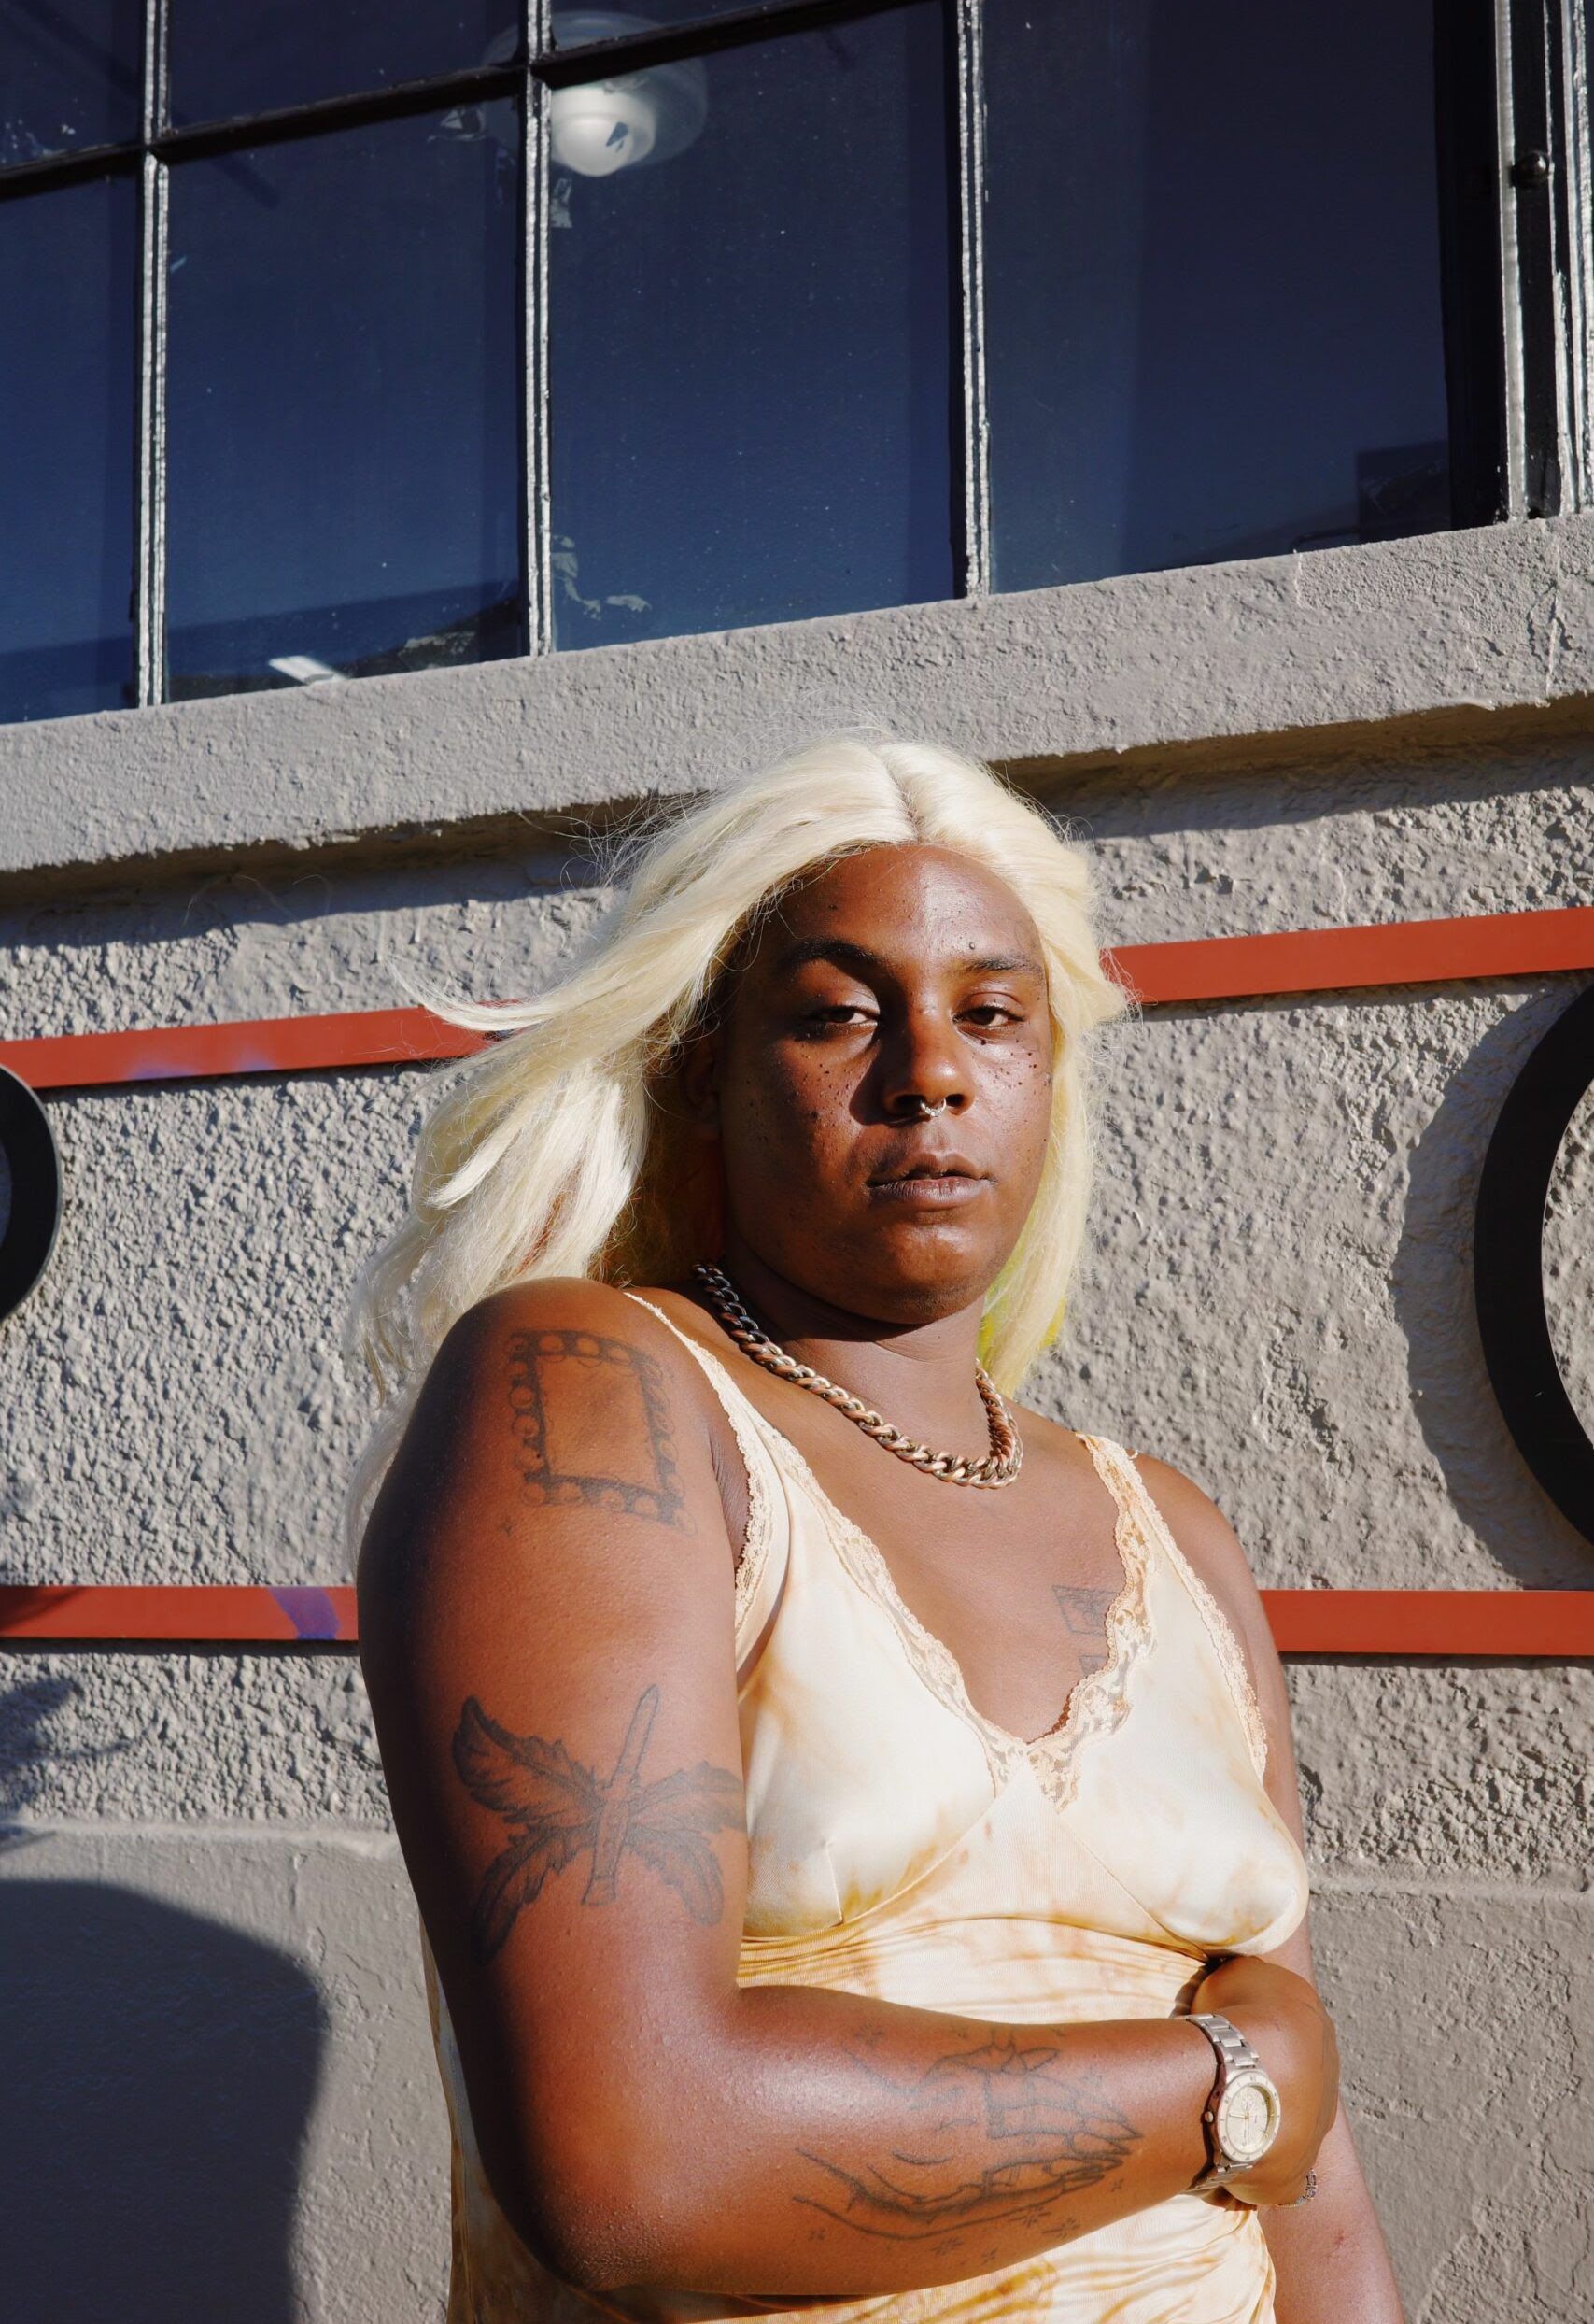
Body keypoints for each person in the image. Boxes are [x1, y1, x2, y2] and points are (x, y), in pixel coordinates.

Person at [349, 739, 1404, 2322]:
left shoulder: (1169, 1525)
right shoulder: (591, 1398)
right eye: (842, 1011)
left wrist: (1274, 2093)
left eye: (993, 1012)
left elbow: (1316, 2206)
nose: (932, 1069)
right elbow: (638, 2166)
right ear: (698, 1067)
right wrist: (1224, 2079)